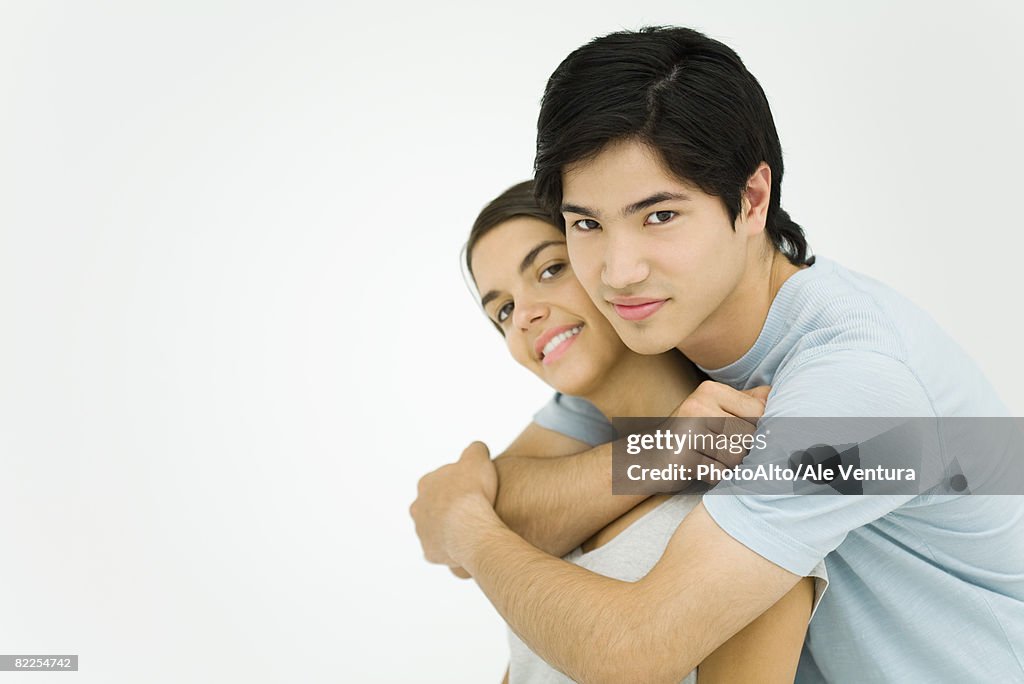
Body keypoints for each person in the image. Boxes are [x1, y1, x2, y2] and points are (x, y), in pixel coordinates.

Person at [411, 26, 1024, 683]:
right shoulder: (661, 332)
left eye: (659, 216)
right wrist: (659, 452)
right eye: (587, 223)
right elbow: (516, 502)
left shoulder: (855, 384)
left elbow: (635, 649)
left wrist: (468, 530)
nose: (618, 272)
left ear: (752, 199)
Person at [464, 180, 828, 683]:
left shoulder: (750, 499)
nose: (524, 315)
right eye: (502, 310)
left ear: (606, 267)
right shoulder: (560, 511)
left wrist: (468, 530)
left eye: (551, 270)